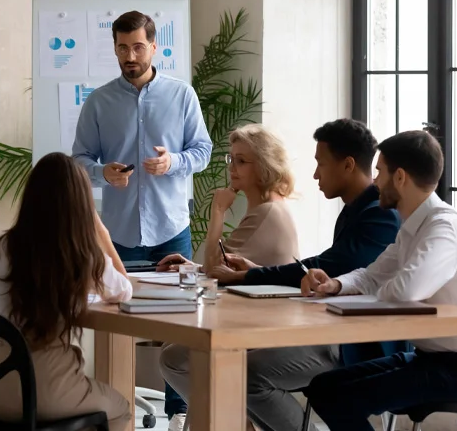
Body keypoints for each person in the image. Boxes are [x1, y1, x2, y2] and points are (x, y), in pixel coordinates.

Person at [159, 119, 402, 431]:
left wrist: (249, 275)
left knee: (247, 373)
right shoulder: (358, 210)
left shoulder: (379, 215)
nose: (315, 174)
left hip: (360, 343)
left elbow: (331, 265)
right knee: (222, 366)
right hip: (333, 330)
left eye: (321, 163)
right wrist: (255, 272)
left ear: (348, 165)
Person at [72, 10, 212, 429]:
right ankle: (117, 407)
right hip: (119, 234)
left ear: (154, 47)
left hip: (171, 230)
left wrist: (173, 162)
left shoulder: (182, 95)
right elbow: (79, 159)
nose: (129, 55)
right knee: (114, 319)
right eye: (121, 47)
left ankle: (178, 410)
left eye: (137, 46)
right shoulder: (98, 101)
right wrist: (102, 173)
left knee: (181, 325)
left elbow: (202, 151)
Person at [305, 130, 457, 431]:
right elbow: (372, 274)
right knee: (323, 388)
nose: (375, 181)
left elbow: (406, 290)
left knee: (340, 398)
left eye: (379, 172)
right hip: (427, 358)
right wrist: (335, 285)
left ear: (399, 177)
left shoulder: (443, 228)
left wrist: (380, 287)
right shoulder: (412, 226)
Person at [0, 153, 133, 431]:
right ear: (81, 206)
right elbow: (124, 290)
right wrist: (103, 235)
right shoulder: (82, 256)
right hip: (49, 388)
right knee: (119, 409)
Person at [159, 123, 299, 275]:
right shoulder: (272, 205)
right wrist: (194, 267)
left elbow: (214, 269)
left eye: (241, 161)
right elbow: (226, 268)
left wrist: (218, 210)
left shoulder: (267, 212)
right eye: (231, 159)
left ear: (264, 165)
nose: (231, 168)